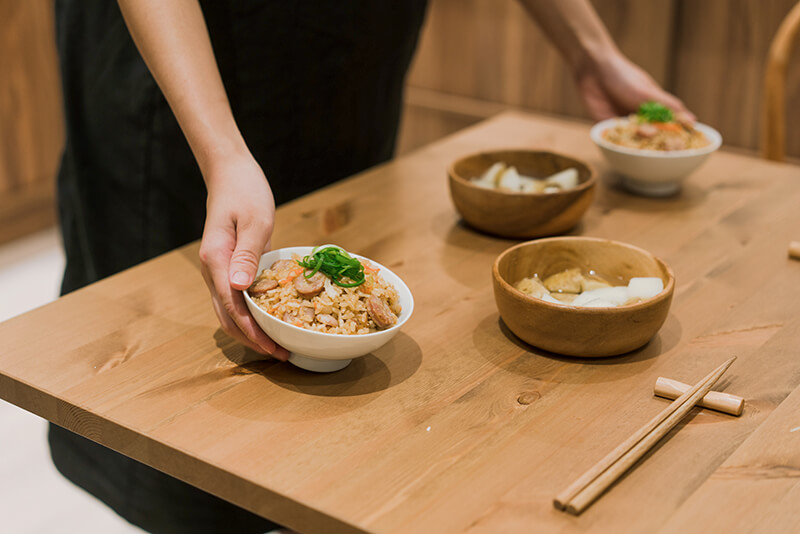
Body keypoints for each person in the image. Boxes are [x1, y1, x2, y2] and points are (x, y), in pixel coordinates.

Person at [50, 1, 692, 532]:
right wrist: (222, 154)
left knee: (343, 450)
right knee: (190, 432)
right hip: (186, 53)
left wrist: (591, 51)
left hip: (346, 42)